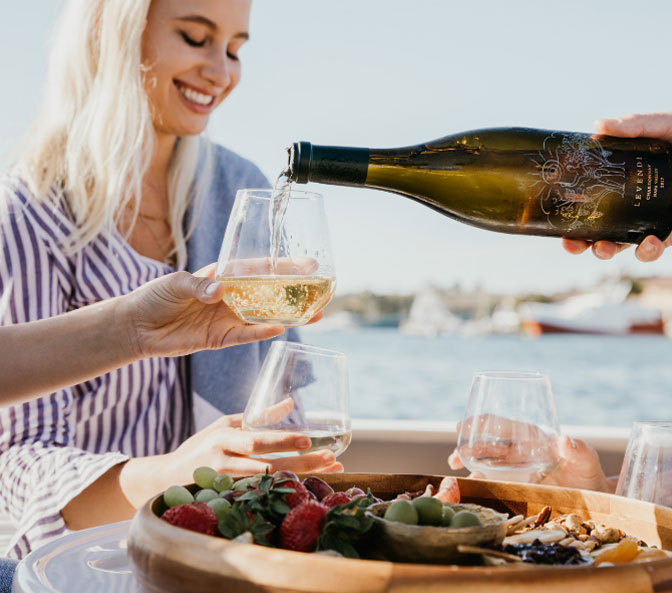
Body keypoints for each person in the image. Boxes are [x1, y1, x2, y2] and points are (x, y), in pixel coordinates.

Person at [0, 0, 340, 560]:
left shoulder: (239, 189)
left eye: (234, 49)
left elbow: (284, 406)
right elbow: (15, 461)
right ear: (117, 34)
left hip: (217, 556)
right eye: (194, 36)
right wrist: (171, 476)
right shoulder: (30, 209)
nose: (222, 71)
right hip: (83, 560)